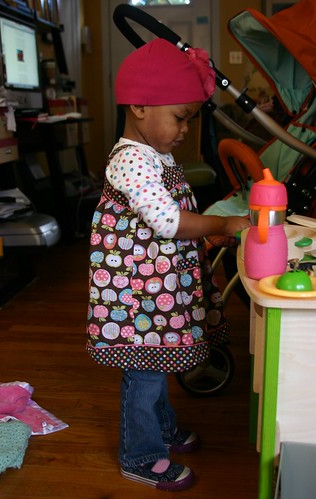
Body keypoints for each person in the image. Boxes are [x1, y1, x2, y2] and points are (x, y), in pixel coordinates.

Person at [86, 38, 250, 492]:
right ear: (139, 106)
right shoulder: (132, 161)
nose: (184, 130)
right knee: (144, 368)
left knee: (156, 361)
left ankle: (159, 428)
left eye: (188, 119)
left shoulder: (154, 154)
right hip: (136, 295)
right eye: (179, 118)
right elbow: (169, 220)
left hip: (154, 287)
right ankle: (139, 453)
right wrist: (225, 221)